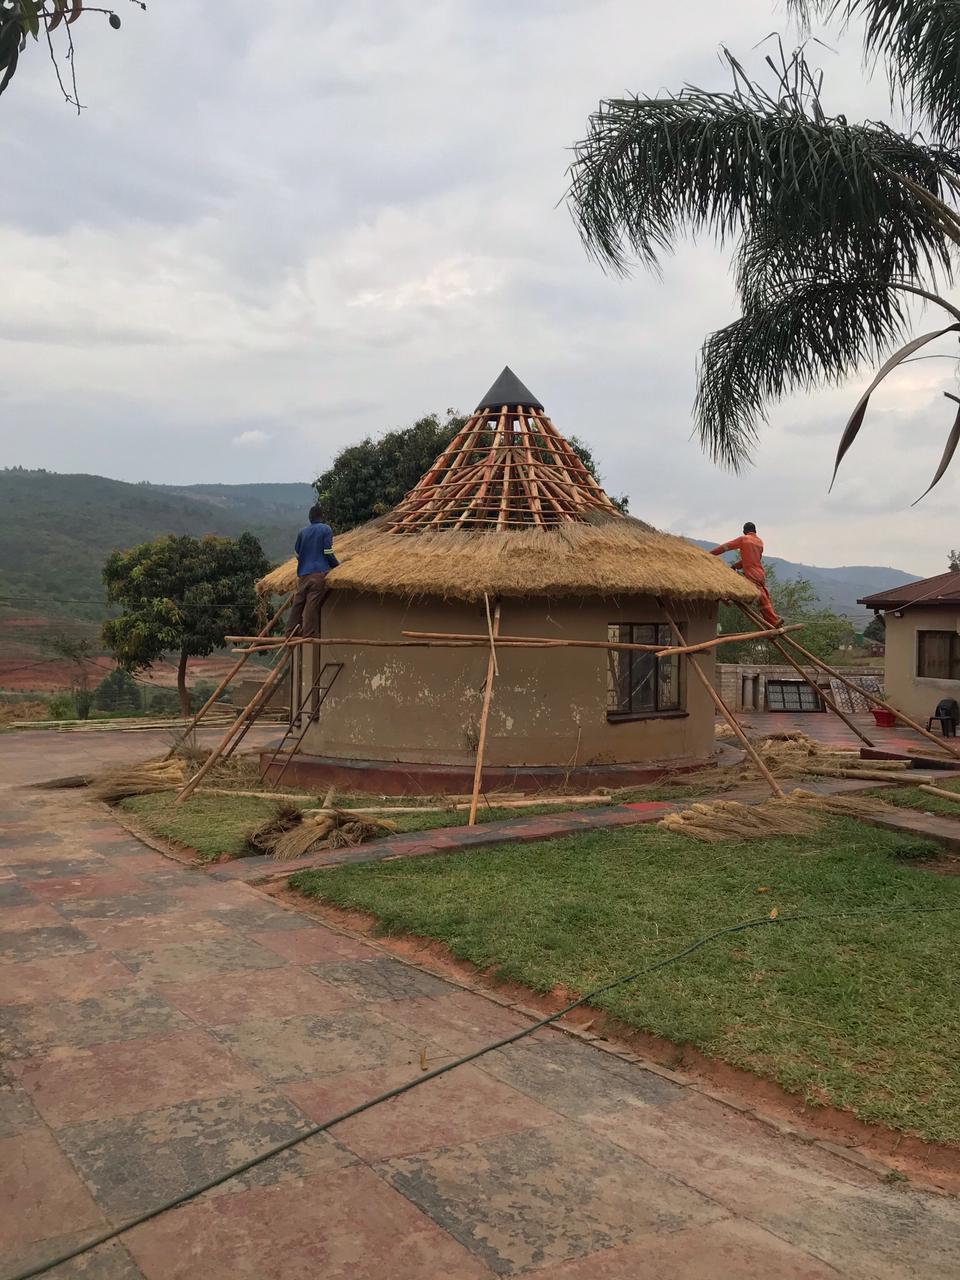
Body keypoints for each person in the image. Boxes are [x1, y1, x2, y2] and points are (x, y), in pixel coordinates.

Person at [709, 522, 783, 628]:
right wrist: (736, 565)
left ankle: (727, 596)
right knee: (764, 600)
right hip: (760, 574)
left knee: (735, 578)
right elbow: (753, 559)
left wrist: (709, 554)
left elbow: (725, 547)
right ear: (755, 531)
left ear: (744, 531)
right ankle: (773, 620)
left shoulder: (744, 539)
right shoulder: (760, 542)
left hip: (751, 574)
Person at [287, 505, 340, 637]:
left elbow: (297, 554)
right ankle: (309, 632)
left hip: (303, 574)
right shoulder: (326, 529)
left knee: (298, 602)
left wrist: (306, 561)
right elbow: (327, 551)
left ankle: (290, 630)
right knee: (312, 602)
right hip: (318, 573)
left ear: (310, 518)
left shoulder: (302, 532)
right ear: (322, 516)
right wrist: (336, 565)